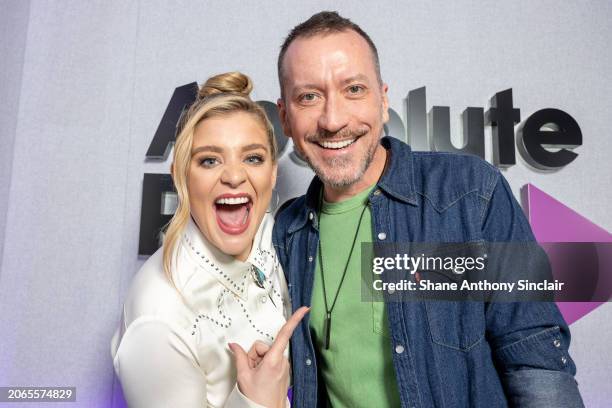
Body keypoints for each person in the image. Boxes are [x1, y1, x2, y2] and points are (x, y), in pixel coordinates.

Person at [272, 11, 585, 408]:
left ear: (383, 100)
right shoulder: (287, 232)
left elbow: (534, 357)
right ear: (285, 116)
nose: (333, 120)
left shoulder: (470, 194)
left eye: (353, 89)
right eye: (309, 97)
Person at [111, 72, 308, 408]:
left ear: (273, 172)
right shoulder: (157, 318)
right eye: (209, 160)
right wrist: (255, 401)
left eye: (253, 158)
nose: (233, 176)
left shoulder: (284, 237)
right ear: (180, 174)